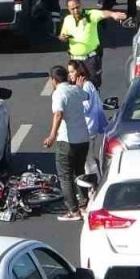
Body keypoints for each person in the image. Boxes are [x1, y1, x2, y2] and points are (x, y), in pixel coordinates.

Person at [41, 65, 91, 221]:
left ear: (54, 80)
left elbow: (58, 114)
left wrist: (51, 136)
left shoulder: (58, 93)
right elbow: (86, 97)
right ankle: (84, 206)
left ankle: (73, 211)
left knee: (65, 176)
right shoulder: (75, 90)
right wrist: (78, 87)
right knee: (80, 172)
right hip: (83, 139)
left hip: (67, 141)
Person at [59, 0, 128, 88]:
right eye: (72, 9)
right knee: (75, 86)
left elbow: (104, 13)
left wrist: (113, 14)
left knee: (93, 85)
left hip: (91, 60)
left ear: (81, 5)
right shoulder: (67, 19)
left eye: (77, 7)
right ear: (68, 9)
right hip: (75, 61)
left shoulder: (91, 15)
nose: (75, 10)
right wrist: (62, 37)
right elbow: (62, 35)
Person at [68, 59, 108, 177]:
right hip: (89, 128)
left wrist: (77, 92)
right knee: (88, 159)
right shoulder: (89, 85)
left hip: (87, 129)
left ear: (79, 72)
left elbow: (84, 108)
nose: (69, 75)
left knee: (87, 161)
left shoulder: (85, 87)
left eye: (72, 72)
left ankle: (94, 187)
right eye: (69, 72)